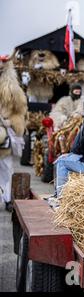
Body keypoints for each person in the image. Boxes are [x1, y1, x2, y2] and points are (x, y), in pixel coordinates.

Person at [0, 55, 27, 211]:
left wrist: (11, 122)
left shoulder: (13, 90)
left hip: (4, 132)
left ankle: (9, 199)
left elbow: (20, 110)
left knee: (6, 167)